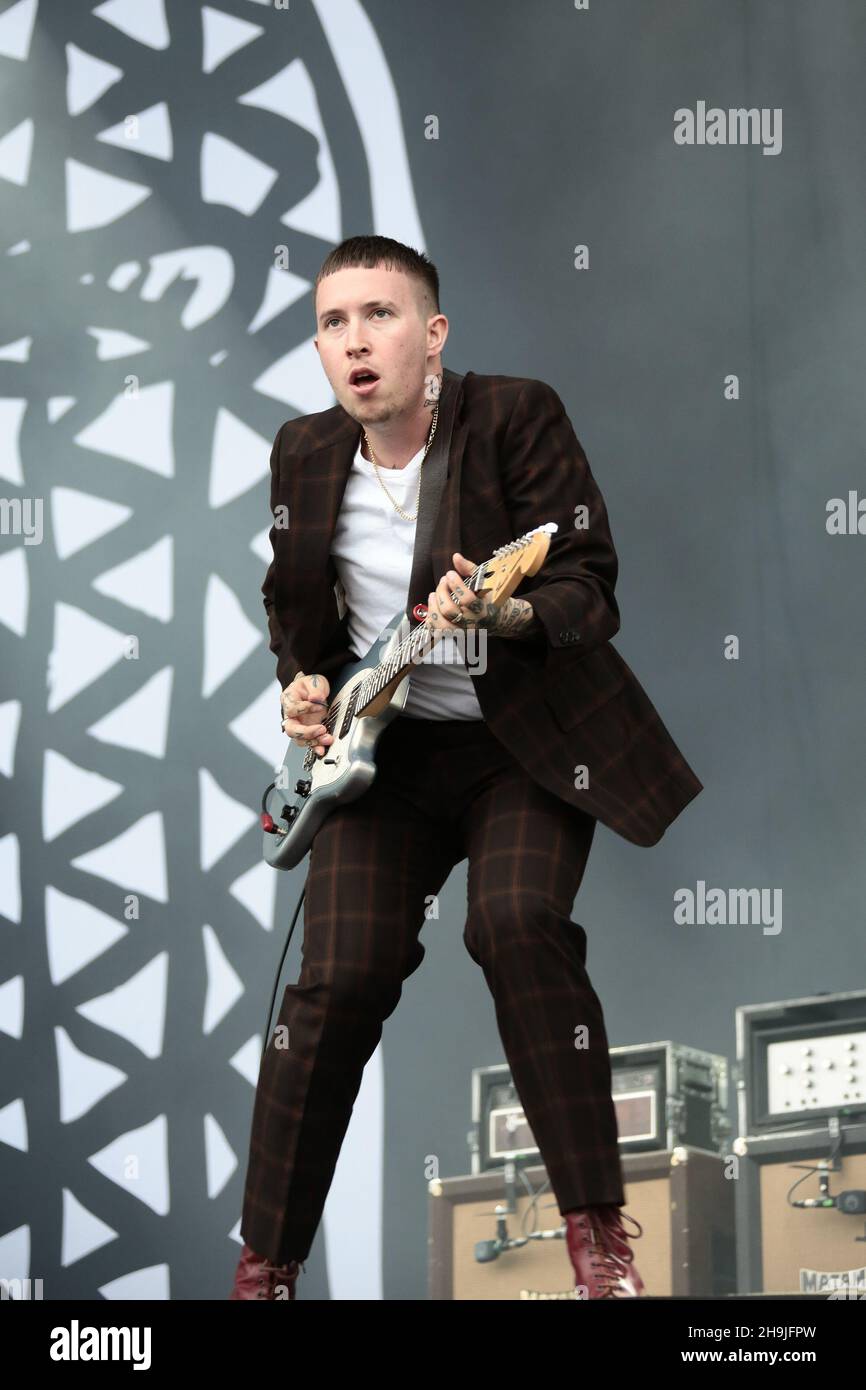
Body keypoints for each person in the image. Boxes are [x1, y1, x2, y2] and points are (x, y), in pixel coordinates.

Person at [229, 235, 702, 1301]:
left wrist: (504, 607)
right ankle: (265, 1268)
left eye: (379, 316)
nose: (354, 343)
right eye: (332, 323)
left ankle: (597, 1241)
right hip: (379, 762)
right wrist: (302, 684)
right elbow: (291, 598)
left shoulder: (512, 415)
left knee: (514, 926)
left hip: (516, 746)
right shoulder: (302, 454)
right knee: (333, 983)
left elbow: (589, 586)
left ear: (432, 335)